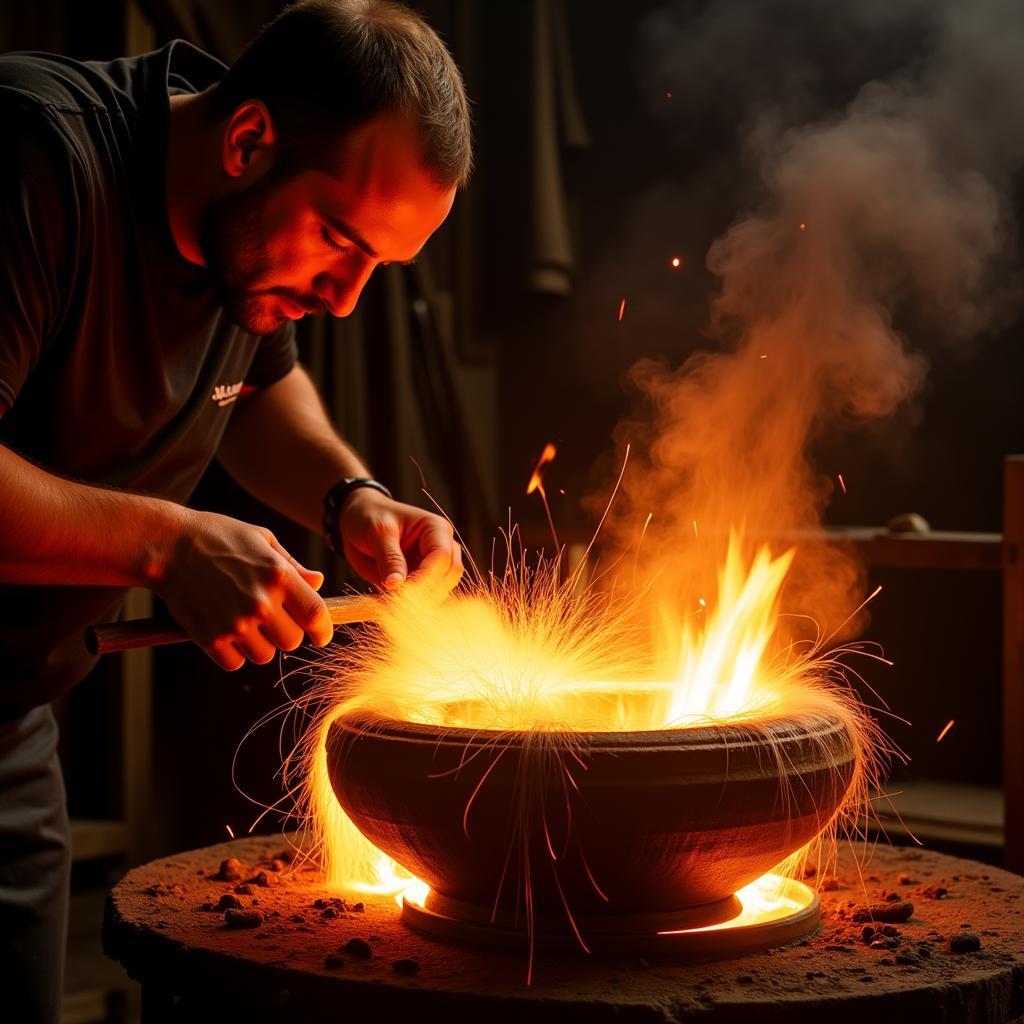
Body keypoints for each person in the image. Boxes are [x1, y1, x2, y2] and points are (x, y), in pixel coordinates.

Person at [0, 1, 470, 1018]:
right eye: (339, 241)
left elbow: (256, 387)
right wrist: (163, 543)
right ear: (248, 139)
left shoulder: (242, 239)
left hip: (10, 728)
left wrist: (352, 496)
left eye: (376, 269)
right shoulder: (34, 163)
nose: (345, 298)